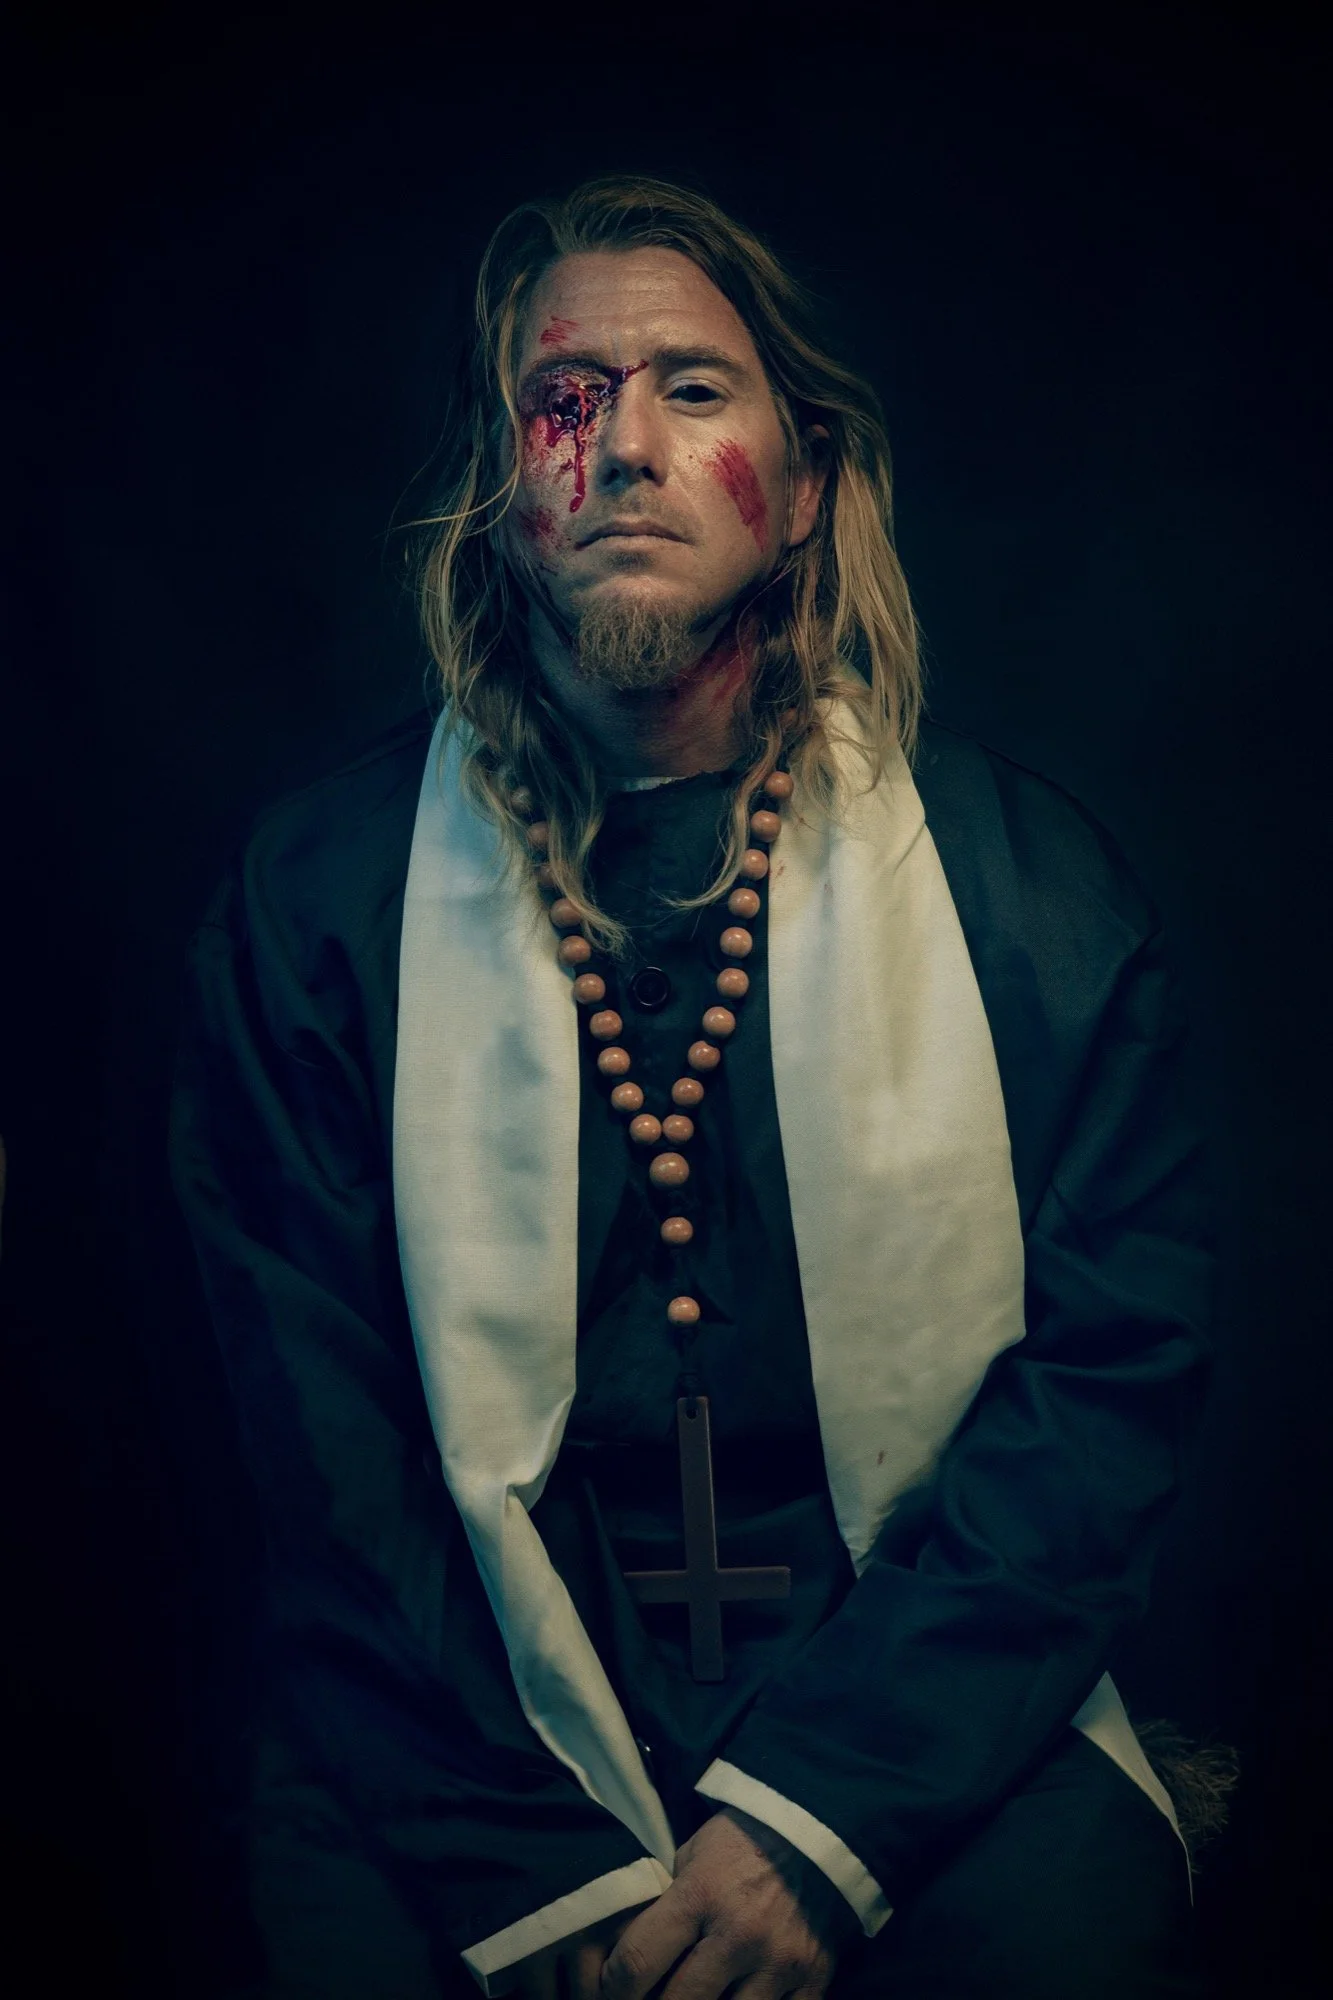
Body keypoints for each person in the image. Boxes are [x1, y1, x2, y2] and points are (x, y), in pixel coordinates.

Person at [172, 176, 1213, 1999]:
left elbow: (1110, 1394)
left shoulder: (1027, 895)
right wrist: (550, 1882)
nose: (623, 447)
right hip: (455, 1715)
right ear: (504, 501)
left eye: (693, 390)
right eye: (563, 401)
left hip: (912, 1687)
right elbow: (320, 1458)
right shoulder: (317, 903)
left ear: (804, 486)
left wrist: (821, 1828)